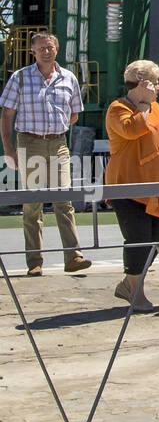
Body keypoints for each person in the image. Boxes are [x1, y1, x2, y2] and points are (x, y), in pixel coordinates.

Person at [0, 32, 91, 276]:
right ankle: (34, 262)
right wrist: (8, 149)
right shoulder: (20, 78)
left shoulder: (68, 78)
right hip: (29, 142)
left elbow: (74, 114)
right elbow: (7, 114)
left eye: (50, 47)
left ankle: (73, 257)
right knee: (33, 203)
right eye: (41, 48)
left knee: (64, 199)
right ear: (33, 51)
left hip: (58, 143)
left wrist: (56, 127)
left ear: (57, 49)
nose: (46, 51)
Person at [105, 60, 159, 312]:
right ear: (140, 83)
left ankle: (129, 284)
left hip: (156, 187)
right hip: (127, 186)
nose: (158, 89)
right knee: (138, 239)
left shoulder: (155, 108)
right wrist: (143, 103)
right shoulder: (117, 108)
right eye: (153, 83)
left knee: (158, 237)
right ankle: (135, 290)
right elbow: (132, 130)